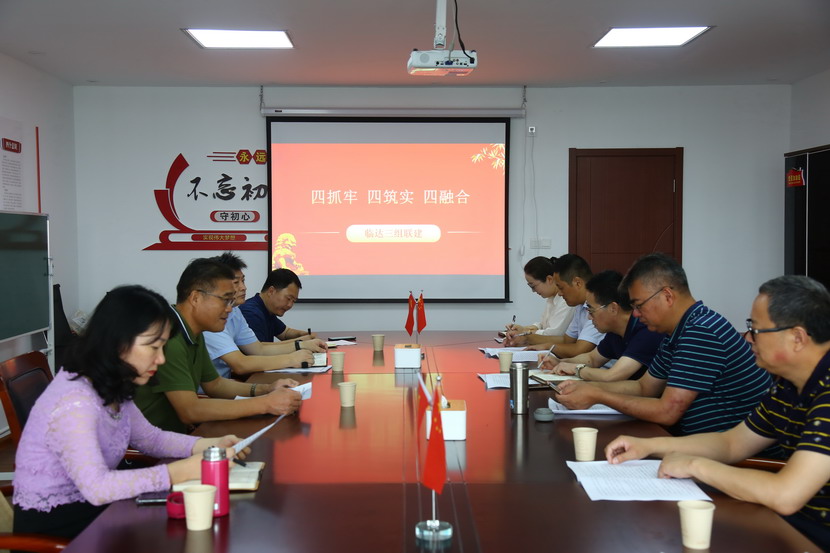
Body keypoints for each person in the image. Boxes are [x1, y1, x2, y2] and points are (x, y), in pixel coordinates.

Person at [605, 275, 830, 550]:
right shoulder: (788, 386)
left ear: (797, 338)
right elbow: (731, 443)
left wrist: (695, 465)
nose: (748, 338)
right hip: (792, 525)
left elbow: (786, 495)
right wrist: (648, 446)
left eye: (756, 330)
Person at [12, 285, 248, 539]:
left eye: (163, 347)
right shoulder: (75, 402)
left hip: (97, 510)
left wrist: (208, 446)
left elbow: (151, 438)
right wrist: (180, 472)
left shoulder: (109, 382)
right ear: (118, 342)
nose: (161, 359)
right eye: (153, 347)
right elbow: (98, 488)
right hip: (60, 528)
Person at [555, 253, 771, 435]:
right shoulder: (675, 332)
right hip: (691, 444)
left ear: (667, 296)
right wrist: (589, 388)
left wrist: (598, 394)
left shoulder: (701, 330)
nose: (636, 314)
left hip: (727, 457)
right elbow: (644, 387)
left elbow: (667, 412)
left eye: (639, 305)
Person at [134, 258, 302, 433]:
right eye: (225, 300)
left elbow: (216, 385)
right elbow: (190, 411)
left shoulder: (194, 331)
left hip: (178, 433)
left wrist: (267, 389)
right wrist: (265, 403)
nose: (229, 309)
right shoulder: (169, 336)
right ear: (196, 298)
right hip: (151, 443)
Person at [203, 253, 327, 378]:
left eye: (243, 281)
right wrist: (291, 358)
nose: (244, 287)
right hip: (221, 386)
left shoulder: (235, 312)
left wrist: (301, 344)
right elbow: (240, 364)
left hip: (225, 384)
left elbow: (259, 349)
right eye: (236, 282)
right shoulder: (212, 317)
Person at [540, 270, 664, 381]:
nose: (589, 317)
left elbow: (612, 375)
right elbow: (592, 359)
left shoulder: (645, 329)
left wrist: (577, 369)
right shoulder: (615, 331)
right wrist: (559, 362)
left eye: (591, 310)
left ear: (613, 308)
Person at [508, 254, 605, 359]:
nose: (559, 293)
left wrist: (547, 346)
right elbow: (566, 340)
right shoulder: (580, 306)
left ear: (578, 283)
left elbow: (579, 350)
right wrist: (527, 338)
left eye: (561, 288)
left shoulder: (598, 307)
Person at [504, 256, 577, 342]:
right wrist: (524, 328)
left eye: (533, 286)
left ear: (549, 279)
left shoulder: (566, 301)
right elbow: (543, 325)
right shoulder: (551, 298)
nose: (533, 291)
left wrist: (524, 332)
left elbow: (553, 334)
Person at [239, 268, 315, 343]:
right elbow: (261, 349)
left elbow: (285, 333)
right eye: (288, 299)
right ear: (271, 291)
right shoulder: (250, 313)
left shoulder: (268, 310)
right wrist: (301, 342)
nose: (290, 305)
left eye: (294, 301)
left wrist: (303, 335)